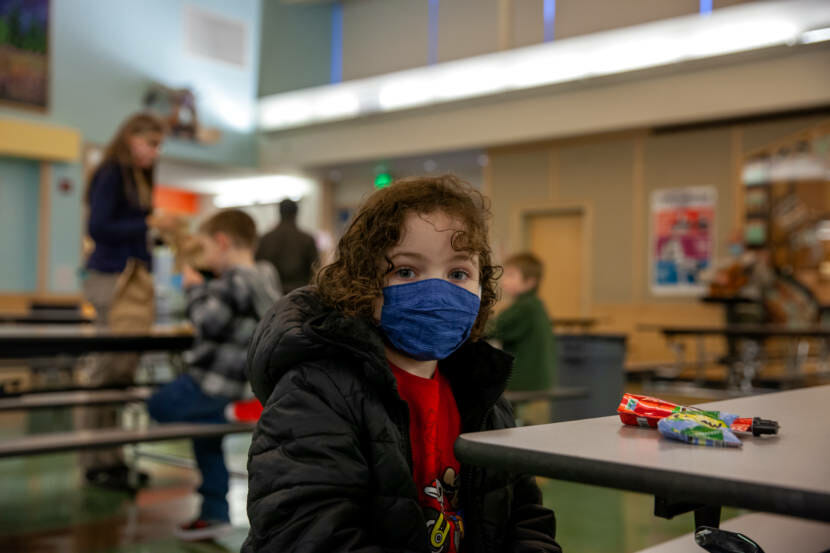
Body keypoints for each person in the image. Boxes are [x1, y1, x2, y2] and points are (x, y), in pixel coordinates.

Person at [243, 175, 561, 552]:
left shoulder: (484, 398)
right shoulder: (316, 392)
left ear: (481, 288)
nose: (437, 290)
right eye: (406, 271)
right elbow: (305, 534)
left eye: (458, 274)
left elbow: (525, 517)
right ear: (363, 283)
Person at [147, 209, 281, 541]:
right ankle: (214, 514)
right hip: (241, 382)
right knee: (205, 436)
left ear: (221, 242)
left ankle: (234, 412)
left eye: (206, 248)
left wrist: (192, 288)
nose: (206, 259)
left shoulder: (234, 278)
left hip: (211, 383)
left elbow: (207, 322)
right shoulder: (265, 275)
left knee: (157, 406)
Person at [80, 112, 176, 490]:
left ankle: (113, 455)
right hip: (111, 278)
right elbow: (98, 227)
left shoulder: (139, 175)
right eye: (150, 143)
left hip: (133, 278)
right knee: (106, 372)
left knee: (121, 374)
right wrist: (149, 224)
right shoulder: (111, 172)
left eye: (158, 145)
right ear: (130, 137)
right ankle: (94, 459)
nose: (154, 152)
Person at [489, 253, 556, 425]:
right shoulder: (534, 305)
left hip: (525, 380)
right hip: (537, 380)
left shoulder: (525, 308)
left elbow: (491, 329)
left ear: (530, 281)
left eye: (511, 275)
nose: (504, 281)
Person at [255, 198, 318, 293]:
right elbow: (315, 271)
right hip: (301, 296)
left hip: (273, 295)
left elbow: (259, 269)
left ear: (279, 212)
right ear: (296, 213)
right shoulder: (307, 239)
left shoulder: (265, 239)